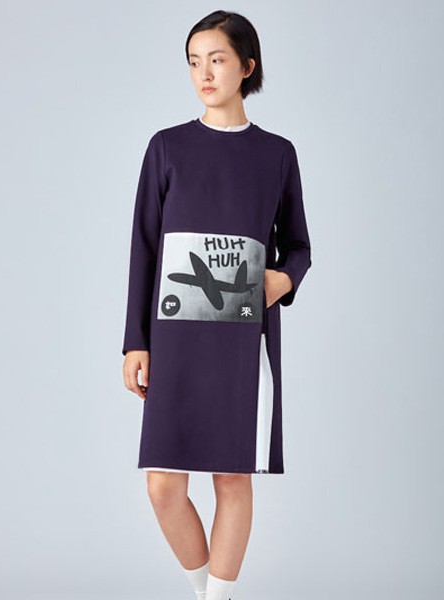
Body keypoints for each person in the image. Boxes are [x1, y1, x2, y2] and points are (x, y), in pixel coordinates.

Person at [121, 10, 312, 600]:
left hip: (241, 342)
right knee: (163, 487)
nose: (204, 74)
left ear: (247, 66)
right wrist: (135, 341)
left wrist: (283, 280)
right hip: (175, 342)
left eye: (217, 60)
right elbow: (145, 247)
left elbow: (299, 246)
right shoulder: (167, 147)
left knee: (232, 478)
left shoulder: (277, 154)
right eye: (194, 62)